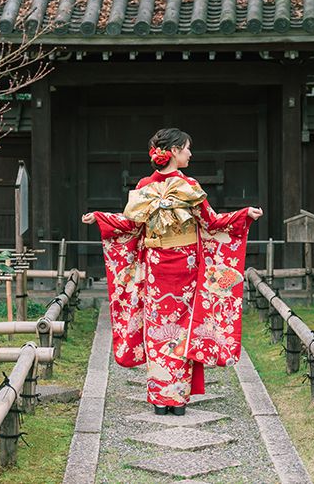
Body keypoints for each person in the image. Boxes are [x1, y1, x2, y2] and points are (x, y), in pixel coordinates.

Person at [82, 128, 263, 415]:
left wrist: (102, 218)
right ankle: (176, 400)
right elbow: (212, 223)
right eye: (187, 148)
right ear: (175, 151)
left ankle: (160, 398)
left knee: (158, 328)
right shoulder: (189, 186)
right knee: (180, 329)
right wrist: (242, 216)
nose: (190, 154)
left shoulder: (145, 186)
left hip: (158, 266)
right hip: (185, 264)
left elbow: (129, 226)